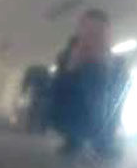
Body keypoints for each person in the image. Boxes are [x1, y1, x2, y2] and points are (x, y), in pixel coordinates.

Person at [49, 9, 129, 155]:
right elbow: (55, 94)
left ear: (108, 37)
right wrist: (71, 68)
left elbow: (120, 98)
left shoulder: (118, 62)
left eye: (99, 35)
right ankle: (73, 138)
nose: (93, 40)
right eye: (89, 34)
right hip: (71, 118)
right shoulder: (65, 57)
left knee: (114, 79)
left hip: (103, 120)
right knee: (65, 79)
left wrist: (108, 70)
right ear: (79, 34)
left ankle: (103, 140)